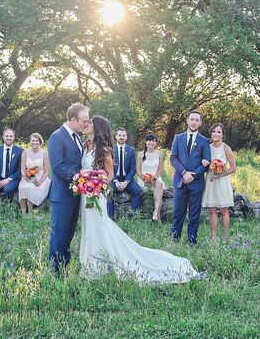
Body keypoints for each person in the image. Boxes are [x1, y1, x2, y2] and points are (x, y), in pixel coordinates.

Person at [80, 115, 197, 283]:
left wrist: (95, 182)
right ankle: (91, 262)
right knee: (89, 226)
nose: (86, 124)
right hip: (85, 194)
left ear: (97, 128)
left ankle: (103, 261)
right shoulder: (86, 145)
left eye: (89, 123)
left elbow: (109, 174)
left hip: (95, 194)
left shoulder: (103, 150)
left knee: (99, 226)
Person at [48, 103, 90, 273]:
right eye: (84, 121)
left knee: (69, 232)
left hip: (75, 194)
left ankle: (64, 266)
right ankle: (55, 271)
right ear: (73, 120)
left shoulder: (77, 137)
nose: (86, 124)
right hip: (62, 195)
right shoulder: (57, 137)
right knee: (59, 233)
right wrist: (79, 177)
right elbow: (58, 167)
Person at [170, 110, 211, 244]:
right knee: (178, 212)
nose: (194, 122)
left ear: (200, 123)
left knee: (194, 214)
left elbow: (206, 162)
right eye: (192, 119)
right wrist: (184, 173)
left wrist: (193, 174)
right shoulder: (178, 138)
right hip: (180, 180)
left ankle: (192, 240)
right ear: (187, 121)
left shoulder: (204, 141)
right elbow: (173, 158)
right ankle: (174, 238)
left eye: (197, 120)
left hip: (196, 182)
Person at [201, 123, 237, 240]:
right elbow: (204, 163)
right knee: (212, 210)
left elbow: (233, 167)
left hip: (222, 181)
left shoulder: (226, 148)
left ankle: (225, 236)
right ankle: (214, 236)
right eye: (214, 131)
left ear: (222, 135)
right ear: (211, 133)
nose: (215, 134)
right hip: (210, 180)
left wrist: (220, 174)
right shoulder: (208, 147)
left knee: (223, 209)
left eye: (218, 132)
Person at [107, 127, 141, 219]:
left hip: (127, 180)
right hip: (114, 179)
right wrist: (115, 181)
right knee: (108, 191)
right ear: (116, 137)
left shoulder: (131, 150)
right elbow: (108, 168)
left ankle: (132, 216)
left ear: (126, 137)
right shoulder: (110, 150)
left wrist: (126, 182)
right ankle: (110, 218)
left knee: (137, 191)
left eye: (123, 135)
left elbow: (133, 168)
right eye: (120, 135)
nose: (121, 137)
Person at [18, 132, 50, 213]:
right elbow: (22, 170)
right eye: (33, 140)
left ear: (40, 142)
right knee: (22, 188)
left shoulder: (45, 153)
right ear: (30, 141)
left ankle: (30, 213)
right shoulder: (25, 152)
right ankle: (23, 213)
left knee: (29, 188)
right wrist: (26, 177)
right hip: (27, 176)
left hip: (40, 177)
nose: (34, 142)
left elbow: (46, 171)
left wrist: (40, 181)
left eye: (37, 141)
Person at [137, 134, 165, 223]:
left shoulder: (160, 154)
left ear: (156, 143)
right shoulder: (140, 154)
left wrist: (155, 178)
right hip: (143, 179)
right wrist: (144, 179)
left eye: (153, 141)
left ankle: (155, 212)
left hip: (155, 178)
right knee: (158, 192)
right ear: (146, 142)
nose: (151, 142)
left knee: (159, 184)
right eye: (149, 140)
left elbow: (160, 169)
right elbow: (138, 170)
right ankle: (158, 218)